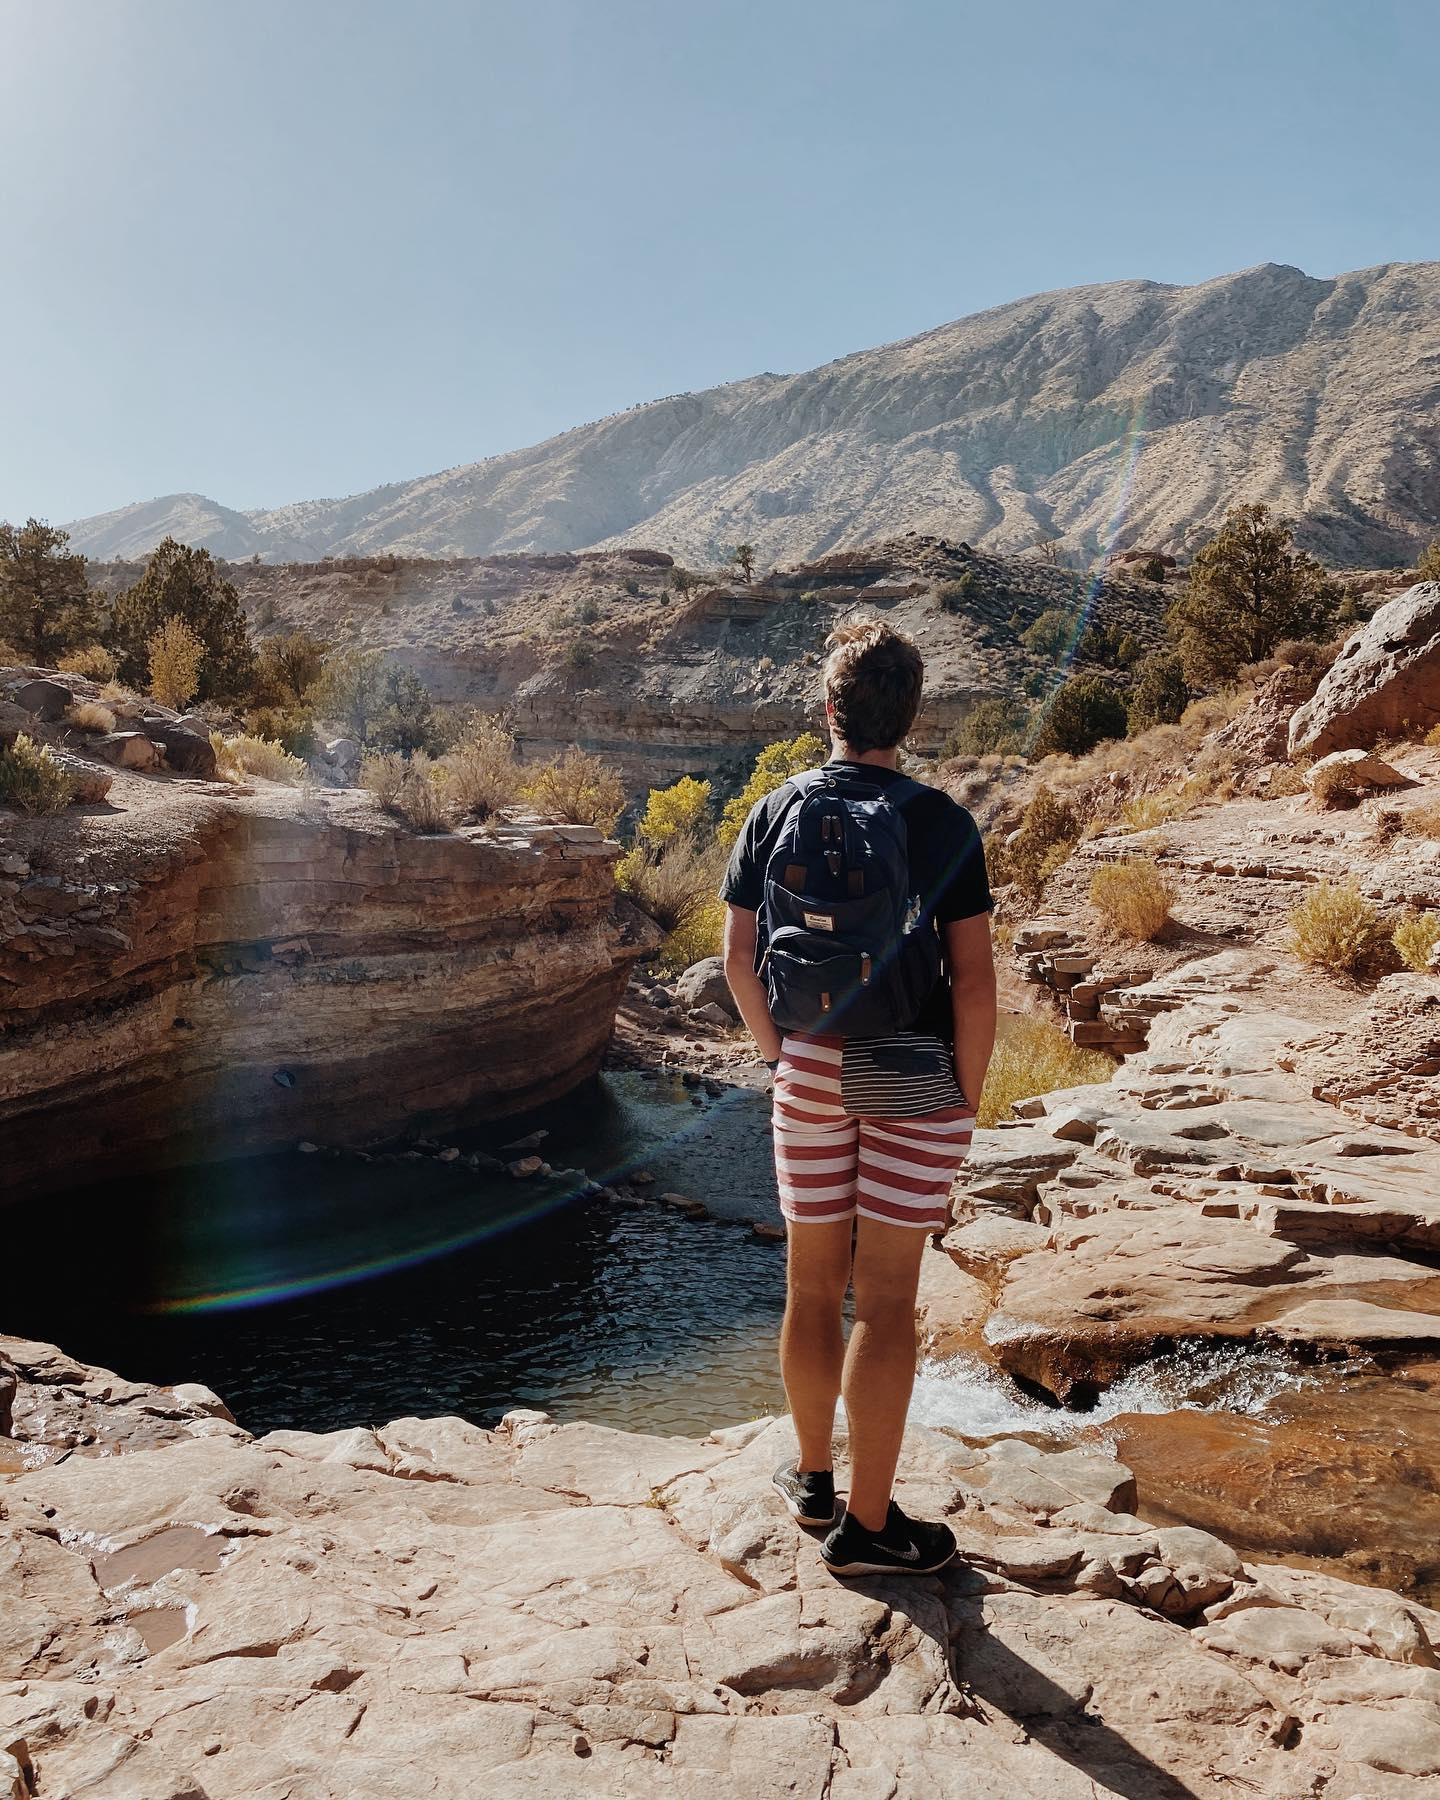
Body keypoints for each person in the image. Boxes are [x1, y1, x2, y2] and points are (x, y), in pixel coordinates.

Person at [720, 618, 996, 1577]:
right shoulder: (941, 821)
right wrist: (965, 1094)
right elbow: (972, 982)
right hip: (912, 1069)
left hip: (810, 1060)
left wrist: (778, 1058)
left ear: (828, 709)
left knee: (809, 1289)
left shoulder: (774, 809)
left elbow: (738, 961)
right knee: (884, 1302)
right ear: (907, 717)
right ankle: (871, 1529)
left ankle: (810, 1484)